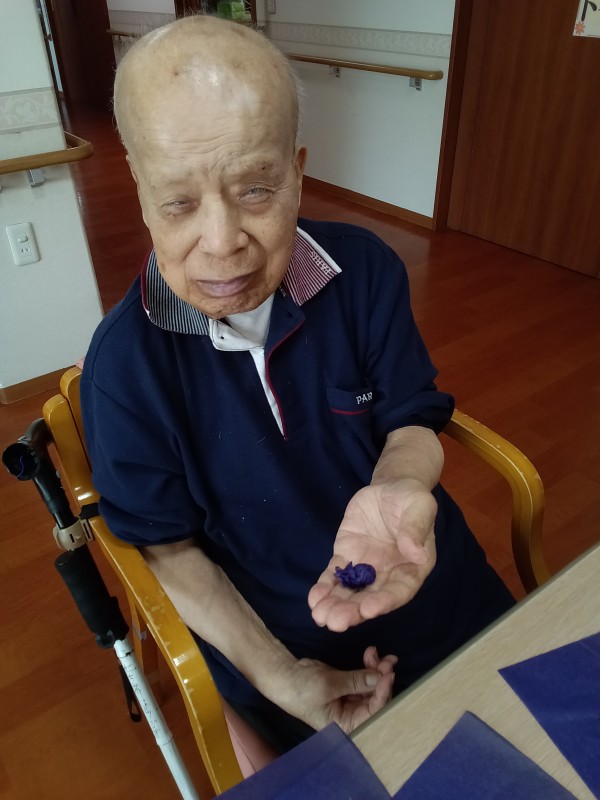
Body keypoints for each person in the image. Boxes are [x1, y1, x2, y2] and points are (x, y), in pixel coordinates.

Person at [81, 15, 514, 753]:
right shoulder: (124, 370)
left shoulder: (366, 271)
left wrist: (402, 483)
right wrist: (285, 678)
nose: (222, 243)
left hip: (439, 591)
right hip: (286, 652)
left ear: (298, 170)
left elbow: (411, 417)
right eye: (179, 202)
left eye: (256, 190)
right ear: (140, 188)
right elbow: (169, 552)